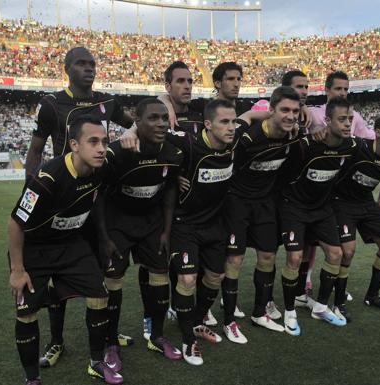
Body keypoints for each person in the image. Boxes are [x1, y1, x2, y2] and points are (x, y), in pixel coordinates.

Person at [26, 47, 136, 368]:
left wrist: (132, 131)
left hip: (99, 199)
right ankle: (56, 342)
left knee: (107, 270)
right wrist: (31, 189)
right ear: (67, 69)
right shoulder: (51, 104)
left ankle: (110, 337)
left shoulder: (107, 102)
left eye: (92, 64)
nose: (89, 69)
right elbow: (35, 149)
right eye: (81, 64)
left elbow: (134, 125)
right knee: (55, 276)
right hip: (62, 200)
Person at [8, 116, 123, 385]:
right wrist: (17, 270)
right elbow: (15, 223)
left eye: (104, 141)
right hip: (35, 250)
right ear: (74, 144)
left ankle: (96, 362)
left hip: (71, 245)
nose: (101, 148)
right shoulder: (47, 178)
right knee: (26, 312)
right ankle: (32, 378)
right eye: (93, 141)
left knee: (99, 295)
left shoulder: (102, 168)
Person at [94, 99, 184, 371]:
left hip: (151, 224)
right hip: (117, 225)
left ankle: (156, 336)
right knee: (113, 283)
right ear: (137, 120)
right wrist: (104, 236)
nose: (160, 123)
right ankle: (110, 343)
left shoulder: (173, 151)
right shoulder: (119, 153)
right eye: (153, 118)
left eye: (163, 118)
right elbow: (98, 197)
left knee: (159, 277)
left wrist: (166, 231)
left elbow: (169, 191)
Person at [219, 86, 303, 343]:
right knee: (234, 260)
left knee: (268, 255)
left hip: (265, 204)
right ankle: (229, 320)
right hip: (237, 203)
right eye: (285, 110)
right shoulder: (246, 137)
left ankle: (259, 311)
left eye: (295, 111)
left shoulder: (293, 138)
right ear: (272, 111)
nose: (290, 116)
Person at [167, 99, 239, 365]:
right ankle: (188, 340)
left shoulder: (234, 141)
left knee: (215, 276)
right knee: (187, 280)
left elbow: (258, 119)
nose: (231, 127)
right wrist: (173, 175)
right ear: (207, 125)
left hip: (215, 224)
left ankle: (196, 321)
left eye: (233, 121)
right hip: (184, 224)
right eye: (224, 122)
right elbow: (149, 134)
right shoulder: (187, 142)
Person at [278, 97, 358, 335]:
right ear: (327, 120)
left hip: (322, 209)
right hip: (295, 207)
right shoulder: (305, 146)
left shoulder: (351, 146)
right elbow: (283, 174)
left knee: (336, 253)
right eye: (342, 119)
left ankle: (321, 307)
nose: (347, 124)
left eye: (350, 119)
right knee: (294, 258)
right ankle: (290, 311)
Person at [331, 114, 380, 314]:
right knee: (348, 251)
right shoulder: (358, 146)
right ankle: (338, 302)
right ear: (378, 133)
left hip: (366, 203)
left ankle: (372, 296)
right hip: (342, 202)